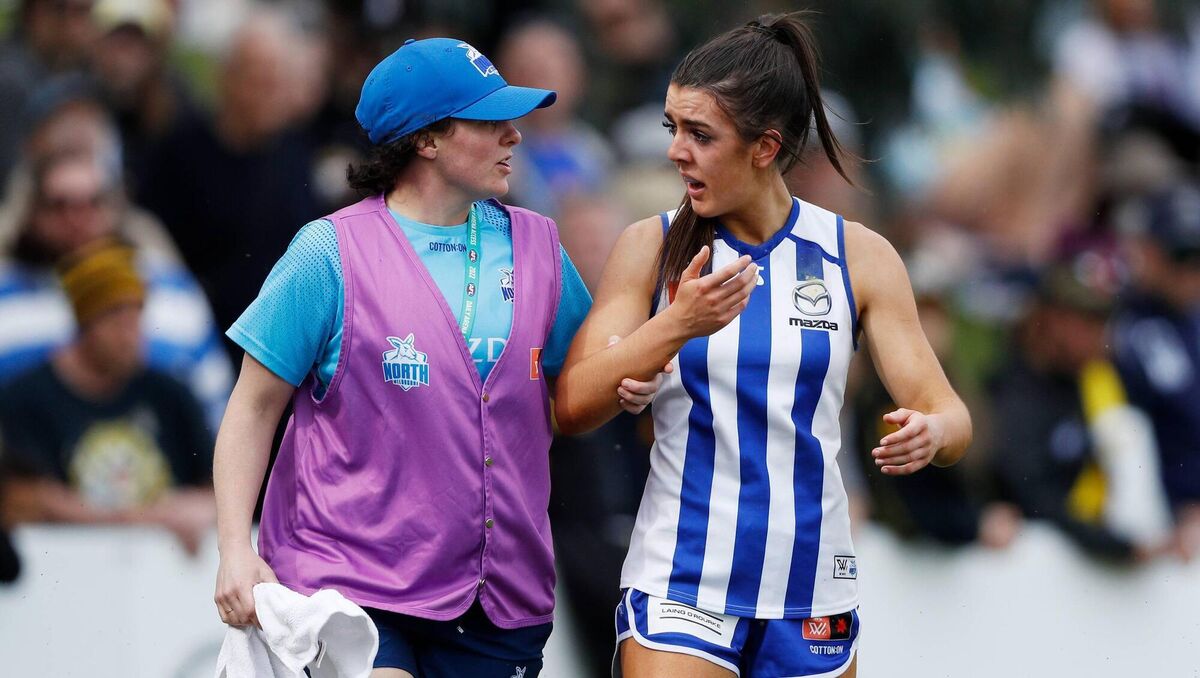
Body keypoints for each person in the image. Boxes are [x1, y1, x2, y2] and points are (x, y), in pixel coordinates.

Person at [212, 37, 664, 678]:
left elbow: (575, 393)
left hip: (501, 597)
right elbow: (251, 410)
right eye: (488, 121)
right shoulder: (328, 253)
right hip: (349, 583)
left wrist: (629, 376)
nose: (515, 134)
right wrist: (236, 548)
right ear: (426, 139)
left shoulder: (539, 247)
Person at [553, 13, 973, 678]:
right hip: (683, 577)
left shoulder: (857, 256)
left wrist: (931, 431)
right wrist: (672, 328)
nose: (675, 151)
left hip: (811, 590)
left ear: (765, 147)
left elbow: (950, 416)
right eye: (673, 129)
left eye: (699, 134)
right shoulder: (649, 246)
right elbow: (571, 403)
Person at [0, 240, 216, 554]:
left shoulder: (170, 393)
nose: (133, 333)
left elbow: (216, 485)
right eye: (116, 317)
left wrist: (202, 508)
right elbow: (22, 498)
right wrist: (142, 518)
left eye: (137, 314)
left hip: (161, 584)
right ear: (85, 322)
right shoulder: (27, 396)